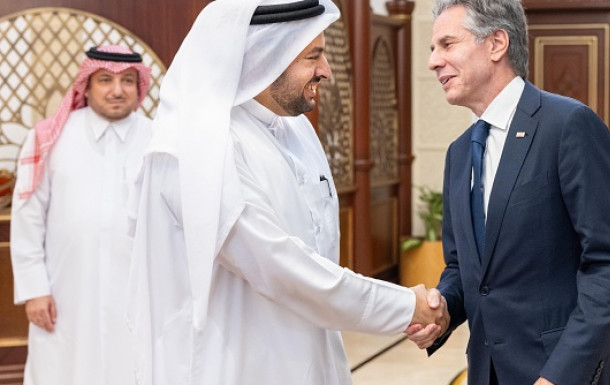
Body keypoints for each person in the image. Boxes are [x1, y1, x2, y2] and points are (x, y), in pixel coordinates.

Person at [125, 1, 447, 384]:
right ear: (264, 55)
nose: (326, 70)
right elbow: (279, 266)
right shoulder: (192, 148)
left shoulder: (295, 131)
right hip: (233, 366)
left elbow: (317, 252)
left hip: (310, 355)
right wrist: (403, 306)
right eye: (314, 55)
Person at [406, 1, 610, 385]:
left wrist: (559, 376)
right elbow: (463, 269)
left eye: (447, 44)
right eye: (433, 49)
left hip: (567, 372)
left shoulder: (569, 126)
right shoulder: (459, 152)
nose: (433, 61)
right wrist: (444, 309)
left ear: (496, 43)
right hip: (488, 372)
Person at [10, 45, 153, 385]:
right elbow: (28, 217)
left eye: (127, 81)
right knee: (62, 370)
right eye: (105, 80)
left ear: (139, 87)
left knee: (131, 367)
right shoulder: (50, 137)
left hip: (137, 291)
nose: (117, 91)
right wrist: (34, 289)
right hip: (64, 289)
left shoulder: (156, 138)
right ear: (86, 85)